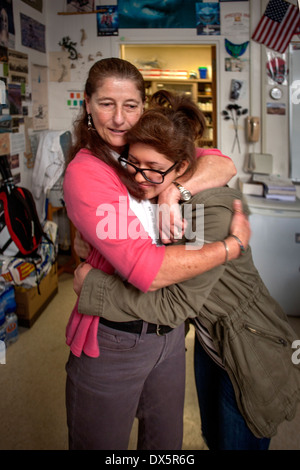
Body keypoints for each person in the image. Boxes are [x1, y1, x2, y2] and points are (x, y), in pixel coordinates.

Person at [74, 90, 300, 451]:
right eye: (132, 163)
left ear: (181, 168)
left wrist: (92, 286)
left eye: (152, 169)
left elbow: (175, 304)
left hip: (246, 340)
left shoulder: (205, 214)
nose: (137, 177)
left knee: (237, 441)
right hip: (212, 343)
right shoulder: (163, 189)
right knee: (214, 437)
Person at [63, 58, 250, 450]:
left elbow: (221, 161)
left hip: (168, 335)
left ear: (143, 105)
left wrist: (173, 189)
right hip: (113, 337)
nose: (119, 118)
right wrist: (229, 247)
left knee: (166, 447)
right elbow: (147, 269)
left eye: (130, 105)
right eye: (106, 103)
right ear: (87, 104)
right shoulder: (88, 171)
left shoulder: (145, 148)